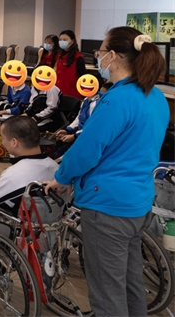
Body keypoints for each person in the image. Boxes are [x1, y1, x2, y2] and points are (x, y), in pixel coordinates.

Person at [45, 27, 168, 317]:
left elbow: (86, 150)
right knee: (130, 284)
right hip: (138, 203)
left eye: (100, 51)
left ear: (112, 56)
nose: (98, 57)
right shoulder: (155, 96)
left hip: (108, 208)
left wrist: (62, 178)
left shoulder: (116, 100)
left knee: (107, 292)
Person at [0, 116, 59, 221]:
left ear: (14, 142)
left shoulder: (15, 173)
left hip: (23, 225)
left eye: (3, 138)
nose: (2, 143)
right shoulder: (55, 167)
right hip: (52, 220)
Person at [52, 77, 105, 159]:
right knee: (58, 145)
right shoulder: (85, 100)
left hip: (86, 136)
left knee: (62, 153)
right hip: (79, 132)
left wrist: (74, 136)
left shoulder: (96, 104)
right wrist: (67, 130)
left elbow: (91, 127)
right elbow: (78, 118)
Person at [55, 30, 87, 99]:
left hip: (72, 95)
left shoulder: (78, 58)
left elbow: (83, 78)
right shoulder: (59, 56)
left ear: (72, 41)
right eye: (60, 40)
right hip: (58, 92)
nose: (62, 42)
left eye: (65, 40)